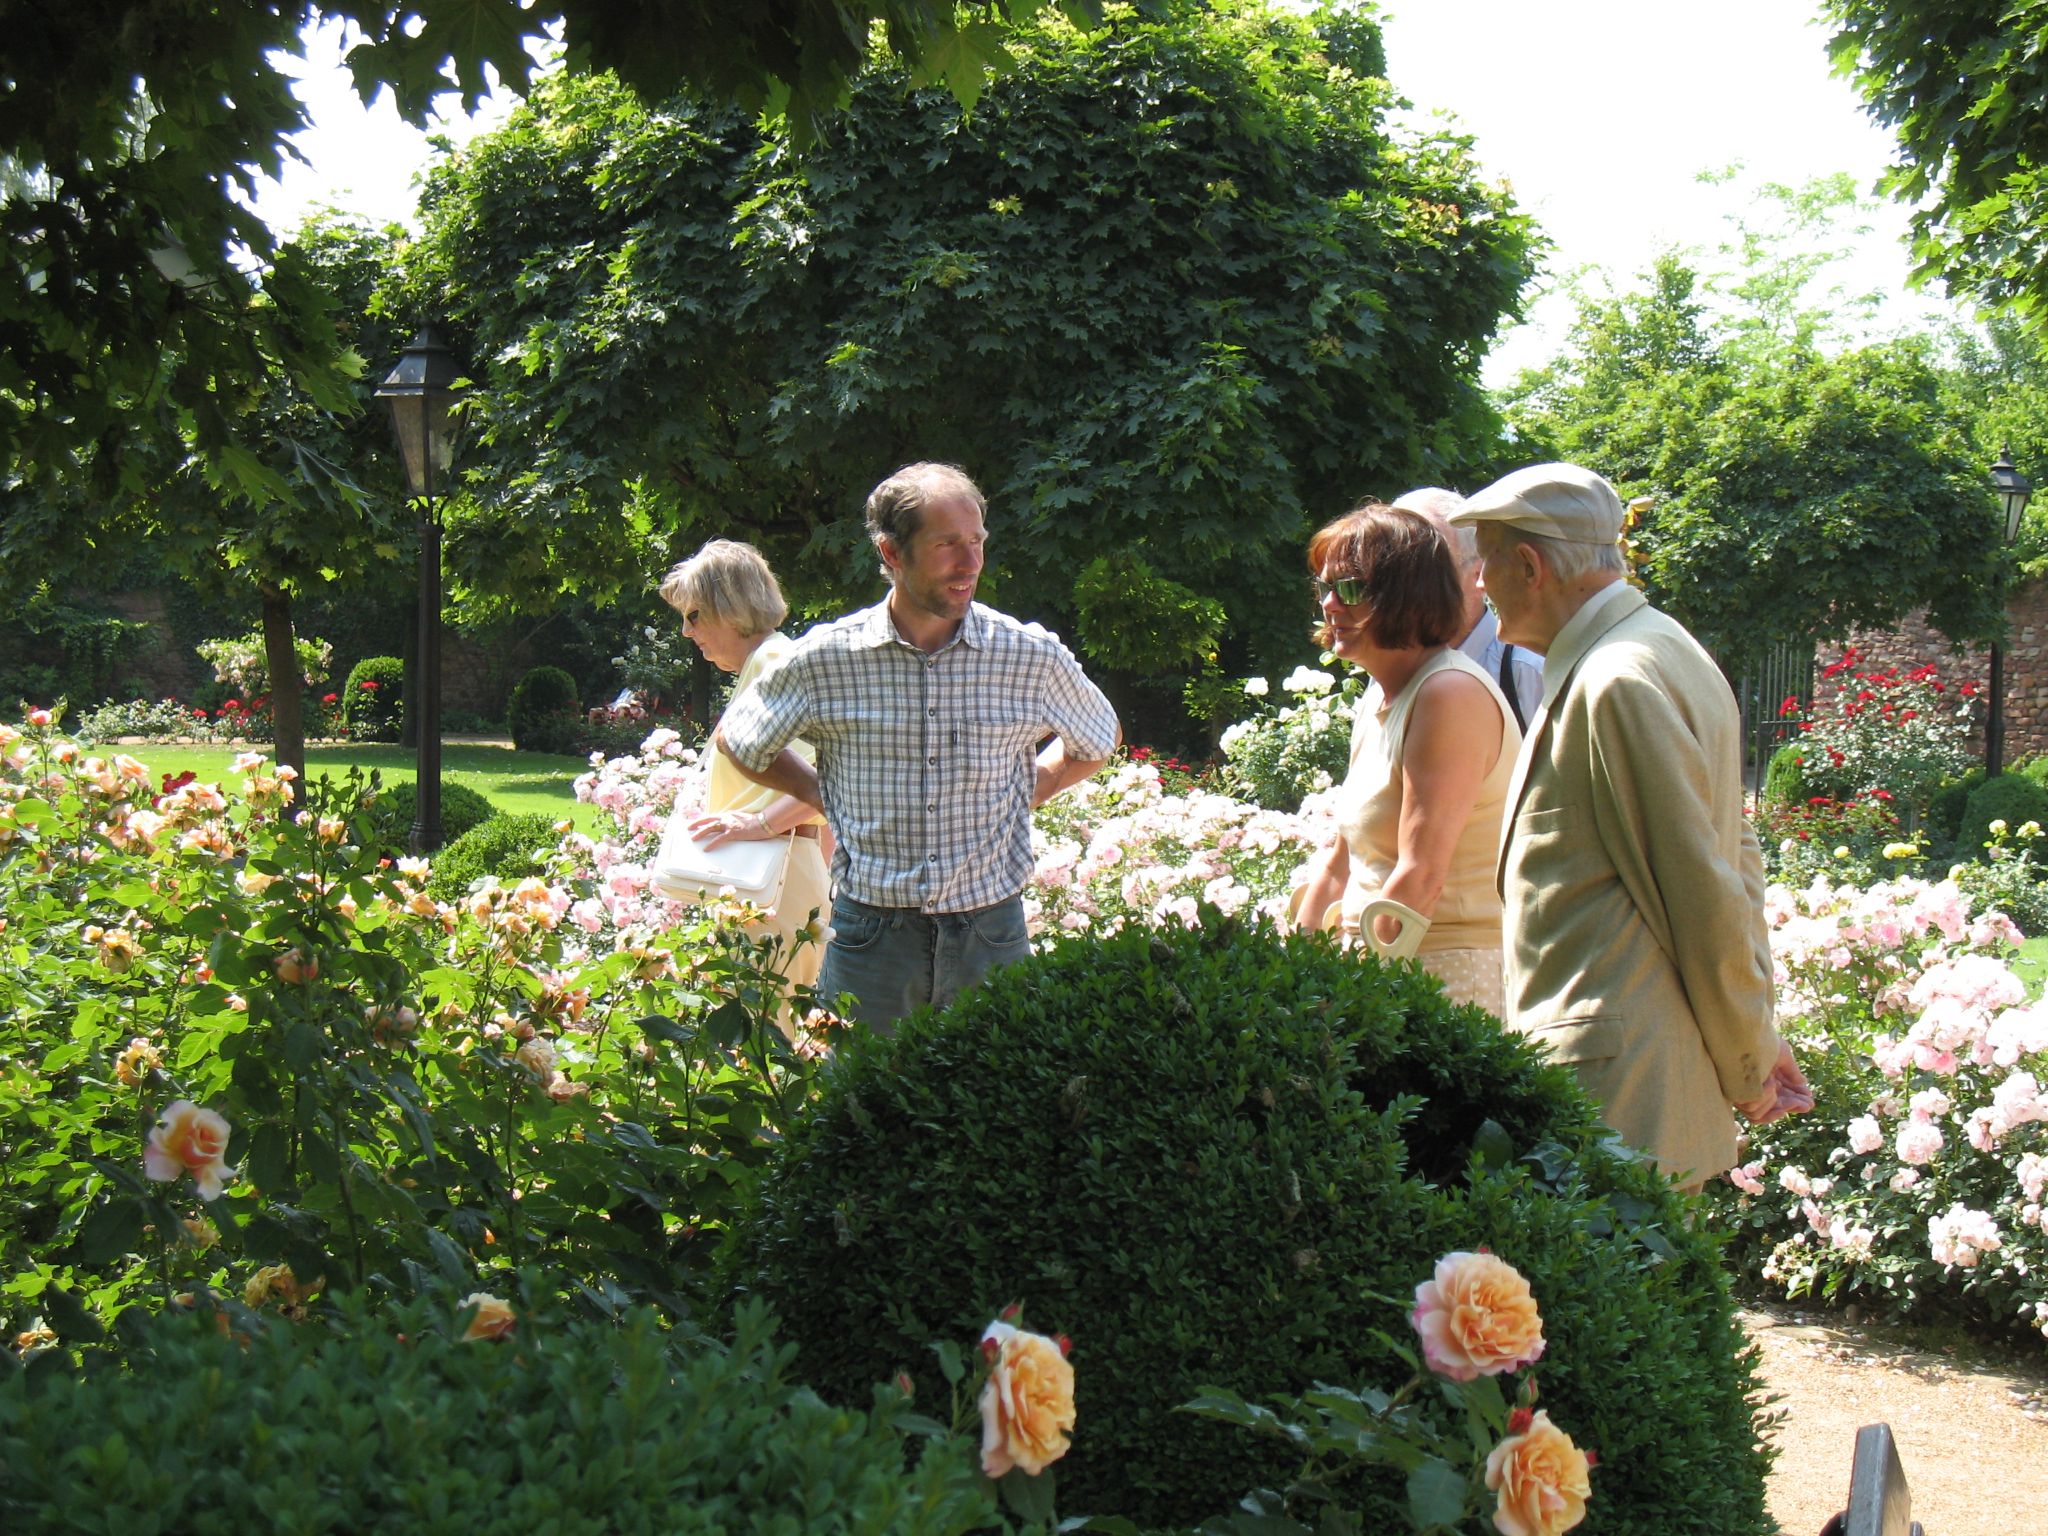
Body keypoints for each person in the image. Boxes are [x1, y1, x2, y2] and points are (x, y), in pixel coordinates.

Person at [1448, 461, 1811, 1187]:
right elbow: (1735, 859)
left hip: (1620, 1105)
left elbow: (1703, 893)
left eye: (1484, 560)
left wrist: (1748, 1061)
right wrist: (1755, 1035)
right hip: (1636, 1091)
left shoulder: (1615, 680)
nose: (1479, 585)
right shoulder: (1662, 649)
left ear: (1530, 564)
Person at [716, 462, 1120, 1031]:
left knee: (995, 1107)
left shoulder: (1028, 656)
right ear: (892, 553)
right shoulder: (826, 660)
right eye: (947, 544)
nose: (971, 562)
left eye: (977, 541)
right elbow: (740, 742)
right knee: (857, 1109)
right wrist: (823, 793)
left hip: (993, 934)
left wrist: (1033, 786)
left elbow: (1098, 739)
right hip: (872, 940)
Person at [1287, 501, 1521, 1015]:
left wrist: (1353, 1000)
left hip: (1441, 980)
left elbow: (1421, 877)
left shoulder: (1448, 694)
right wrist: (1292, 973)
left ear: (1407, 597)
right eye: (1324, 588)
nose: (1329, 605)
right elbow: (1341, 858)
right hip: (1384, 966)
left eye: (1349, 588)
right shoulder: (1383, 692)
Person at [659, 540, 832, 1008]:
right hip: (774, 875)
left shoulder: (774, 664)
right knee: (765, 1028)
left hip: (774, 878)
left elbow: (827, 776)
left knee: (769, 1033)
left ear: (729, 608)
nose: (685, 631)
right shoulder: (768, 661)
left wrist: (758, 824)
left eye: (693, 615)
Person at [1391, 487, 1545, 731]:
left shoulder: (1526, 673)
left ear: (1478, 573)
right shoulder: (1388, 675)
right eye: (1393, 568)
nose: (1405, 583)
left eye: (1428, 567)